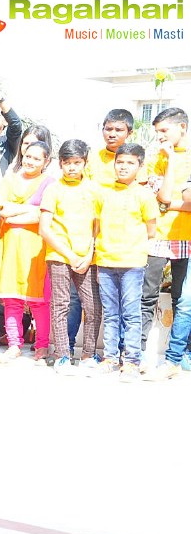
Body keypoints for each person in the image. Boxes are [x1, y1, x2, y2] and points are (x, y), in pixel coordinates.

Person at [95, 143, 157, 381]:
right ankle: (110, 357)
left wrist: (132, 247)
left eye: (130, 163)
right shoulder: (104, 192)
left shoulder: (144, 195)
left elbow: (150, 229)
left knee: (131, 313)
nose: (123, 166)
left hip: (132, 263)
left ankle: (131, 360)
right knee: (110, 313)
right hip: (106, 260)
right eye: (120, 162)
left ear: (140, 167)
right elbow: (97, 225)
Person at [39, 139, 103, 372]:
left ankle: (88, 355)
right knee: (61, 304)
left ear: (85, 163)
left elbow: (98, 227)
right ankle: (63, 355)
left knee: (93, 305)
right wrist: (69, 255)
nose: (72, 168)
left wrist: (88, 255)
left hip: (87, 258)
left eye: (77, 162)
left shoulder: (94, 189)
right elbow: (44, 228)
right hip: (58, 256)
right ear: (60, 163)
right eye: (68, 163)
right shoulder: (53, 189)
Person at [142, 107, 191, 368]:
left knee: (183, 300)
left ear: (182, 127)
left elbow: (170, 200)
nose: (160, 136)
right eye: (157, 131)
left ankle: (180, 355)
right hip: (158, 236)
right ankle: (136, 352)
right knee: (147, 295)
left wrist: (168, 202)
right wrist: (170, 162)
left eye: (164, 130)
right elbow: (160, 199)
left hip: (187, 238)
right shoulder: (155, 158)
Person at [0, 140, 55, 360]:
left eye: (37, 158)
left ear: (46, 161)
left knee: (38, 300)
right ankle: (14, 344)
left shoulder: (50, 183)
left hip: (36, 249)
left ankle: (42, 344)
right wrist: (30, 211)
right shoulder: (9, 180)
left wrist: (16, 212)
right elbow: (1, 210)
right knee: (12, 299)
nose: (30, 161)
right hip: (10, 246)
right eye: (28, 156)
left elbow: (43, 214)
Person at [86, 109, 146, 186]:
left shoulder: (135, 158)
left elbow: (140, 186)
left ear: (129, 133)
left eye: (118, 130)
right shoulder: (92, 157)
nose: (112, 134)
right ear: (102, 130)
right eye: (108, 129)